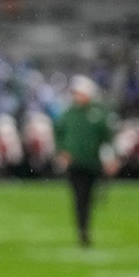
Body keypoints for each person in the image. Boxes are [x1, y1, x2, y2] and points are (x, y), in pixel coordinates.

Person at [54, 74, 120, 247]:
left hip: (93, 162)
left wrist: (110, 159)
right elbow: (58, 135)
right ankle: (83, 230)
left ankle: (84, 227)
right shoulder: (68, 113)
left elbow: (107, 138)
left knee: (89, 197)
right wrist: (62, 152)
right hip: (75, 164)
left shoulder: (99, 113)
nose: (77, 96)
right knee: (79, 197)